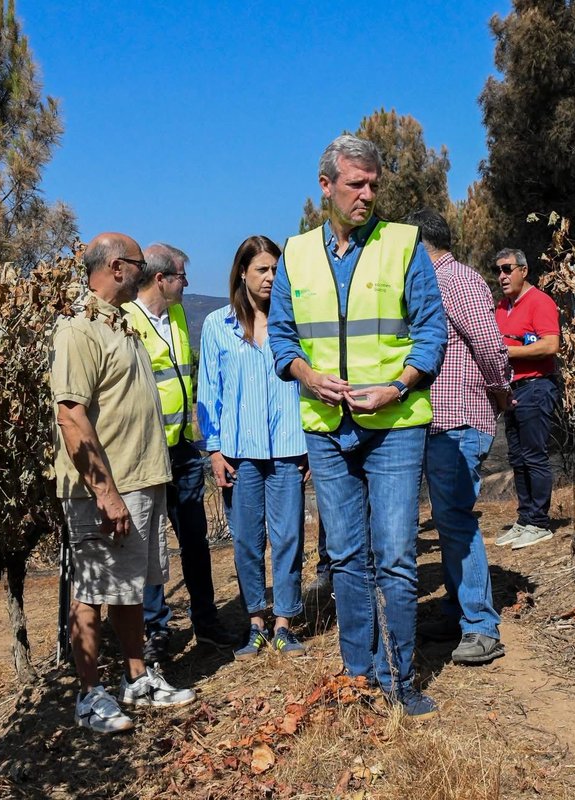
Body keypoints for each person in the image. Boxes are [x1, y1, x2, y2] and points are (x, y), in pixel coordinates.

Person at [268, 134, 447, 719]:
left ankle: (402, 679)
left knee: (395, 555)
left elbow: (432, 334)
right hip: (325, 426)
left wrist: (397, 387)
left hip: (395, 425)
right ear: (327, 187)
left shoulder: (404, 244)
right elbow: (281, 338)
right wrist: (306, 376)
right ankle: (358, 674)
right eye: (355, 184)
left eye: (374, 184)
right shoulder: (295, 253)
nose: (367, 194)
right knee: (346, 556)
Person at [51, 232, 195, 734]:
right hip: (104, 490)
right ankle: (89, 696)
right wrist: (106, 493)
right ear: (116, 267)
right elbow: (71, 416)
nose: (144, 270)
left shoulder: (121, 324)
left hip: (142, 481)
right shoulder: (78, 328)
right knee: (92, 589)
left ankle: (137, 679)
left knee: (128, 588)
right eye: (137, 263)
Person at [405, 207, 510, 665]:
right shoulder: (432, 282)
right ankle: (457, 610)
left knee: (456, 519)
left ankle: (481, 625)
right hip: (436, 419)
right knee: (447, 519)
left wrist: (500, 391)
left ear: (419, 243)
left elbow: (489, 344)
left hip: (458, 417)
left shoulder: (458, 280)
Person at [123, 243, 237, 663]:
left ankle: (206, 622)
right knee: (151, 548)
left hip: (182, 449)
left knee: (195, 540)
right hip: (146, 453)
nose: (187, 283)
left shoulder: (176, 317)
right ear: (160, 279)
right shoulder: (127, 320)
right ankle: (156, 630)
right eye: (182, 276)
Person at [198, 236, 308, 659]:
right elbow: (210, 391)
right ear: (242, 272)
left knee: (288, 538)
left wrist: (310, 446)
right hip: (239, 453)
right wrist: (215, 450)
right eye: (262, 269)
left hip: (288, 449)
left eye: (276, 269)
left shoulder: (293, 324)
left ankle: (284, 622)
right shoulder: (216, 326)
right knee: (245, 539)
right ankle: (256, 622)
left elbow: (307, 388)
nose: (270, 277)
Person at [492, 248, 561, 550]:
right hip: (512, 390)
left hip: (536, 387)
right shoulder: (501, 307)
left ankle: (540, 522)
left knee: (534, 455)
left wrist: (508, 352)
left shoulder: (540, 302)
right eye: (497, 270)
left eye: (507, 269)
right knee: (517, 458)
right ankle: (525, 519)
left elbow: (550, 345)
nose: (502, 276)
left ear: (524, 270)